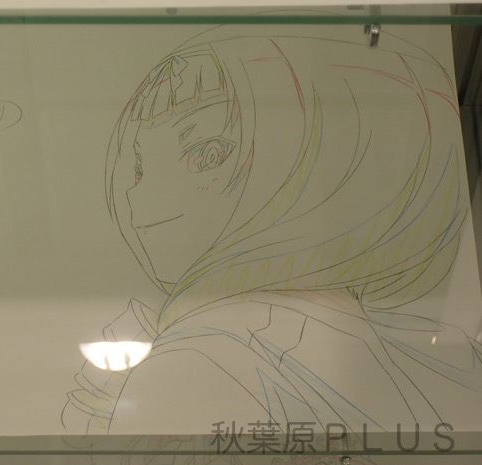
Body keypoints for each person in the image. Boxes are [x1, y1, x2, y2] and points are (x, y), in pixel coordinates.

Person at [63, 24, 482, 444]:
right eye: (138, 168)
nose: (138, 193)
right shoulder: (438, 356)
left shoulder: (197, 363)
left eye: (207, 154)